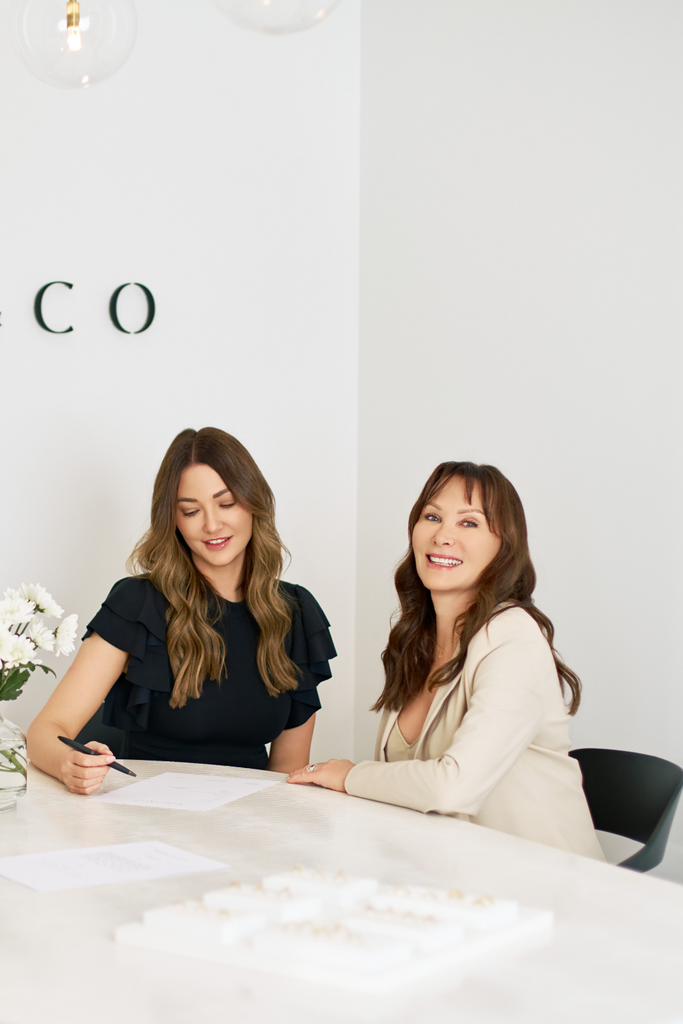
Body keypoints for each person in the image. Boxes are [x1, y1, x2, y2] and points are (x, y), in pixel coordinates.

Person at [288, 461, 604, 859]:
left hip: (540, 887)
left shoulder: (514, 636)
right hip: (450, 878)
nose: (443, 535)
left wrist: (351, 775)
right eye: (432, 516)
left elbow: (453, 787)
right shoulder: (417, 641)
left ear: (504, 545)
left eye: (469, 523)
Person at [28, 427, 336, 795]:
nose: (211, 525)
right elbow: (44, 732)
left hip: (249, 826)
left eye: (226, 504)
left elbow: (287, 775)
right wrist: (69, 764)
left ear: (254, 504)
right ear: (173, 520)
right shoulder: (138, 602)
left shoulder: (298, 613)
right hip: (148, 817)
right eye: (191, 511)